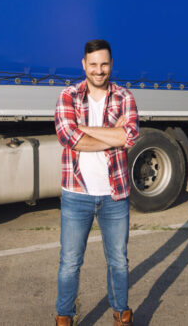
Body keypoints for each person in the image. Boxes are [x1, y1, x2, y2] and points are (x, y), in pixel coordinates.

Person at [54, 39, 139, 326]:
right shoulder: (69, 95)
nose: (99, 70)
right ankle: (64, 318)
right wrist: (112, 136)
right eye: (93, 64)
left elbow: (130, 137)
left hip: (115, 195)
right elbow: (68, 138)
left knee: (118, 261)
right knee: (69, 263)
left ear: (111, 65)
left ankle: (121, 314)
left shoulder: (124, 97)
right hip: (76, 194)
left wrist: (85, 129)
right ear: (84, 65)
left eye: (104, 64)